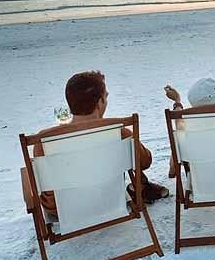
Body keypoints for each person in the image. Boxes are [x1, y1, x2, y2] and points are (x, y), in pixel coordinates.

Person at [34, 71, 168, 216]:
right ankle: (142, 187)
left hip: (62, 210)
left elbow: (41, 182)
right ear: (100, 102)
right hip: (109, 199)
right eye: (106, 96)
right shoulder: (119, 132)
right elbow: (144, 162)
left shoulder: (44, 141)